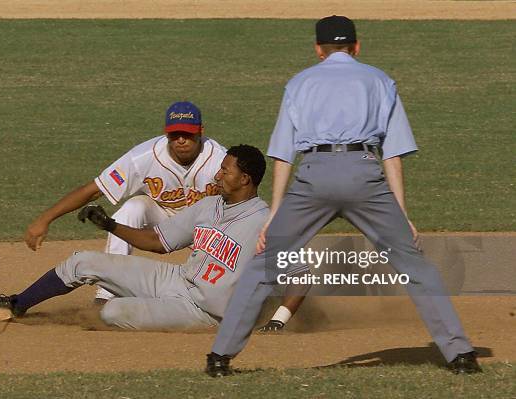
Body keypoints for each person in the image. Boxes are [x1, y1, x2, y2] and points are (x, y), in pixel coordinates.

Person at [205, 16, 480, 377]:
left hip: (313, 176)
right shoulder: (380, 80)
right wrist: (400, 210)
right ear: (356, 46)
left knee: (266, 264)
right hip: (364, 173)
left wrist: (274, 214)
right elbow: (392, 153)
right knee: (414, 265)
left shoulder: (299, 83)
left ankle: (220, 357)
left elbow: (283, 154)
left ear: (318, 49)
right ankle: (460, 354)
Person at [0, 145, 269, 331]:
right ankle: (17, 304)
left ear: (245, 179)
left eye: (225, 172)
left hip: (203, 311)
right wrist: (109, 226)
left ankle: (152, 308)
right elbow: (156, 242)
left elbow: (295, 266)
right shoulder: (210, 204)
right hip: (177, 280)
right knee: (83, 261)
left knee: (111, 312)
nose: (217, 176)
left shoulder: (263, 221)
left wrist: (277, 316)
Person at [23, 101, 226, 304]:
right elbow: (94, 190)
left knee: (219, 287)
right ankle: (107, 296)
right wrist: (45, 219)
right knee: (132, 209)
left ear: (201, 131)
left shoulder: (220, 159)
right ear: (166, 133)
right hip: (161, 216)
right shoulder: (143, 158)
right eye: (175, 134)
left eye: (188, 134)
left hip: (204, 226)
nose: (181, 140)